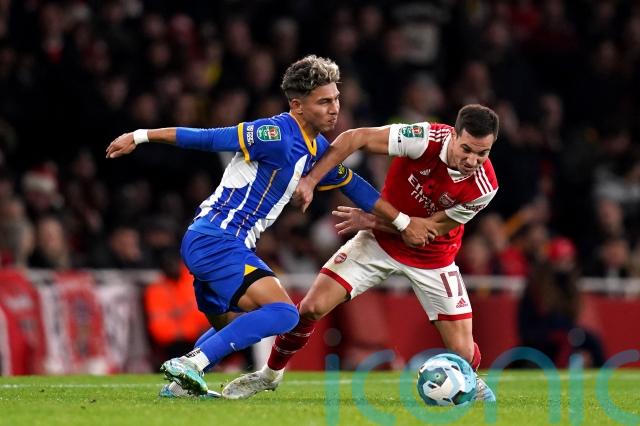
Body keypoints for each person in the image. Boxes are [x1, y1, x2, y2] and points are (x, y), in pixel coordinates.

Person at [105, 55, 432, 398]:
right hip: (217, 239)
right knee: (284, 314)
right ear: (298, 106)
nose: (334, 109)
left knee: (233, 327)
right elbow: (208, 138)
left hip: (221, 243)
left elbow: (354, 186)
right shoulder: (274, 134)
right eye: (324, 102)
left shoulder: (317, 149)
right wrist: (140, 136)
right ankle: (190, 364)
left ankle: (178, 388)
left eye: (336, 99)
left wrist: (402, 222)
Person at [222, 104, 500, 402]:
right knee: (311, 307)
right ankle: (269, 375)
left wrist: (371, 220)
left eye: (482, 154)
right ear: (454, 136)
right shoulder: (424, 138)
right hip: (378, 242)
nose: (472, 161)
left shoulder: (484, 187)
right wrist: (311, 180)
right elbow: (354, 138)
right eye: (467, 149)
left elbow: (423, 232)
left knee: (464, 353)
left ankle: (469, 379)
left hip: (433, 257)